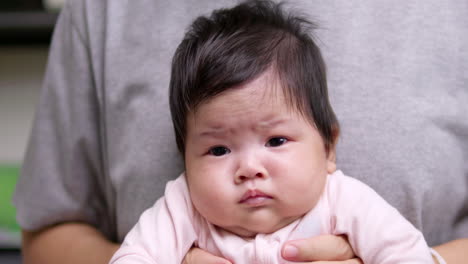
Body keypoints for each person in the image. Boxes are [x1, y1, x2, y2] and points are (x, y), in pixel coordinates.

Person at [13, 0, 467, 263]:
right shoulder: (182, 208)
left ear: (328, 147)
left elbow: (407, 255)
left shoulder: (343, 200)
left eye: (276, 141)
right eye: (217, 150)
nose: (249, 168)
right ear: (184, 158)